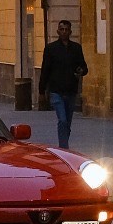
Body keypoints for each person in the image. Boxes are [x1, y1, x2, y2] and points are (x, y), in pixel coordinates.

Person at [38, 20, 88, 149]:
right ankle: (64, 148)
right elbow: (45, 70)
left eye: (66, 29)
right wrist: (41, 91)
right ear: (58, 31)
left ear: (70, 31)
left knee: (68, 123)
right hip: (56, 91)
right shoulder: (51, 49)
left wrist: (81, 71)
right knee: (63, 120)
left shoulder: (76, 48)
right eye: (62, 29)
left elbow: (84, 67)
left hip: (71, 90)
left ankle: (64, 144)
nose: (64, 32)